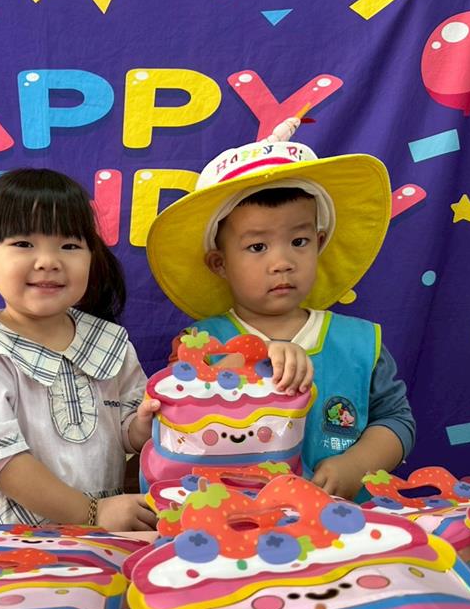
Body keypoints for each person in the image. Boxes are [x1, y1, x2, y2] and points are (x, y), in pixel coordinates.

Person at [147, 119, 414, 500]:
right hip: (231, 520)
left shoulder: (360, 343)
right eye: (257, 247)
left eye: (299, 241)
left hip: (345, 523)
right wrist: (256, 356)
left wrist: (356, 465)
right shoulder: (198, 342)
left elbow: (396, 419)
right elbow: (178, 417)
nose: (282, 263)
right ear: (219, 263)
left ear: (320, 242)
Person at [0, 168, 159, 530]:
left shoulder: (109, 342)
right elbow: (0, 462)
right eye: (24, 244)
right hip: (13, 544)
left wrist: (143, 425)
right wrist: (91, 513)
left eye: (69, 246)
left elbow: (126, 430)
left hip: (101, 539)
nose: (48, 261)